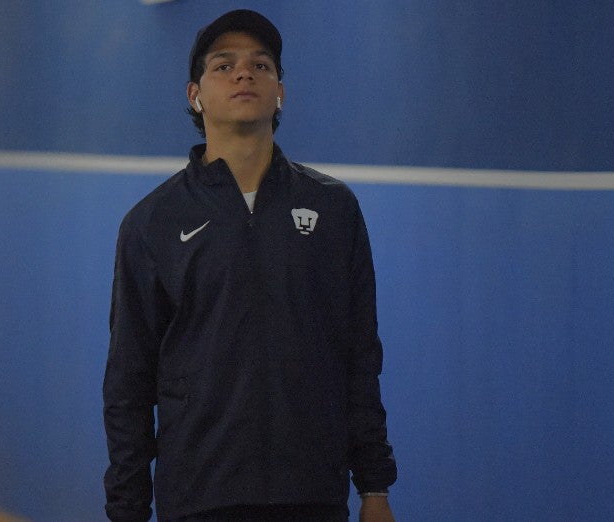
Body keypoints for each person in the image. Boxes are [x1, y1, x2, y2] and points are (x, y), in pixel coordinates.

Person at [103, 9, 396, 521]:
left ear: (281, 91)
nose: (245, 73)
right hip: (200, 496)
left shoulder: (334, 209)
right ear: (195, 95)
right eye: (225, 65)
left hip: (313, 496)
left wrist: (374, 486)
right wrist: (128, 510)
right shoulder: (152, 223)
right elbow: (128, 381)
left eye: (261, 65)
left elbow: (360, 355)